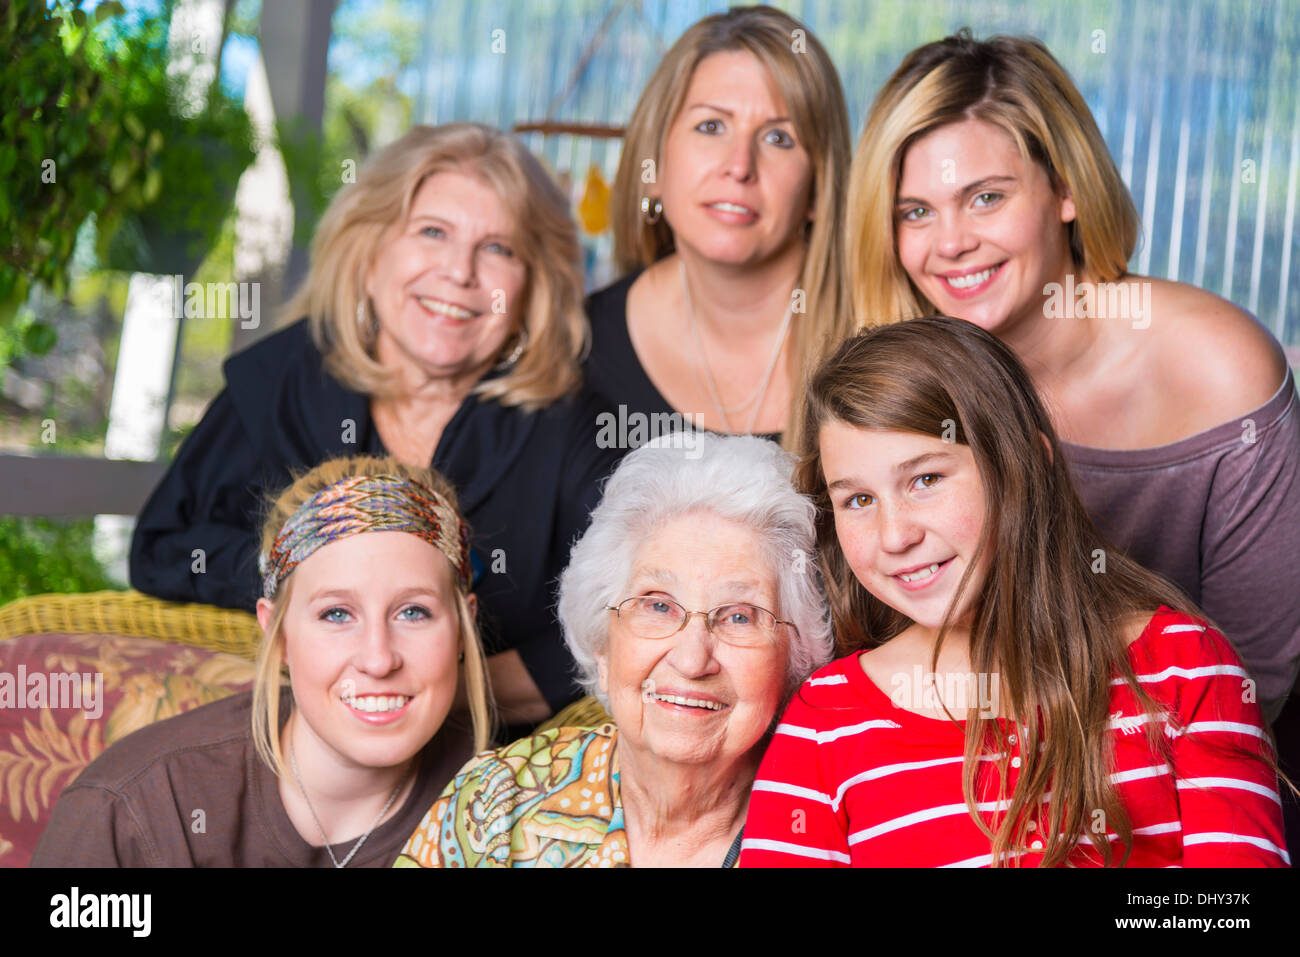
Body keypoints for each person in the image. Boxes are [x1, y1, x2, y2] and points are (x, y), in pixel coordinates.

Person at [844, 31, 1300, 723]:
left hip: (1185, 774)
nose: (950, 243)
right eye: (916, 212)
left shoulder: (1221, 369)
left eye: (986, 197)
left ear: (1065, 187)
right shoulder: (898, 385)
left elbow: (1254, 683)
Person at [739, 318, 1290, 867]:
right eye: (858, 500)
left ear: (1027, 468)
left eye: (926, 479)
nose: (895, 535)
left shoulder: (1183, 664)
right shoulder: (825, 720)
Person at [130, 123, 620, 726]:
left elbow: (626, 614)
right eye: (432, 232)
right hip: (286, 734)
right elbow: (160, 548)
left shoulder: (577, 424)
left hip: (487, 761)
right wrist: (301, 565)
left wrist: (438, 694)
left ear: (532, 288)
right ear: (369, 257)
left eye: (499, 248)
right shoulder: (285, 377)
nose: (459, 273)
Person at [395, 433, 833, 867]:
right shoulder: (496, 803)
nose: (692, 659)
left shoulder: (829, 831)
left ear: (792, 660)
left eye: (739, 616)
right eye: (658, 605)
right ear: (603, 646)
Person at [34, 456, 491, 867]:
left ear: (462, 628)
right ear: (279, 636)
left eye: (414, 612)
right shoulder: (135, 809)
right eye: (336, 614)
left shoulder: (502, 810)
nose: (378, 658)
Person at [585, 5, 852, 445]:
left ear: (818, 189)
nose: (739, 166)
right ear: (654, 168)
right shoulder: (577, 349)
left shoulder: (887, 337)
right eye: (711, 126)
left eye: (778, 138)